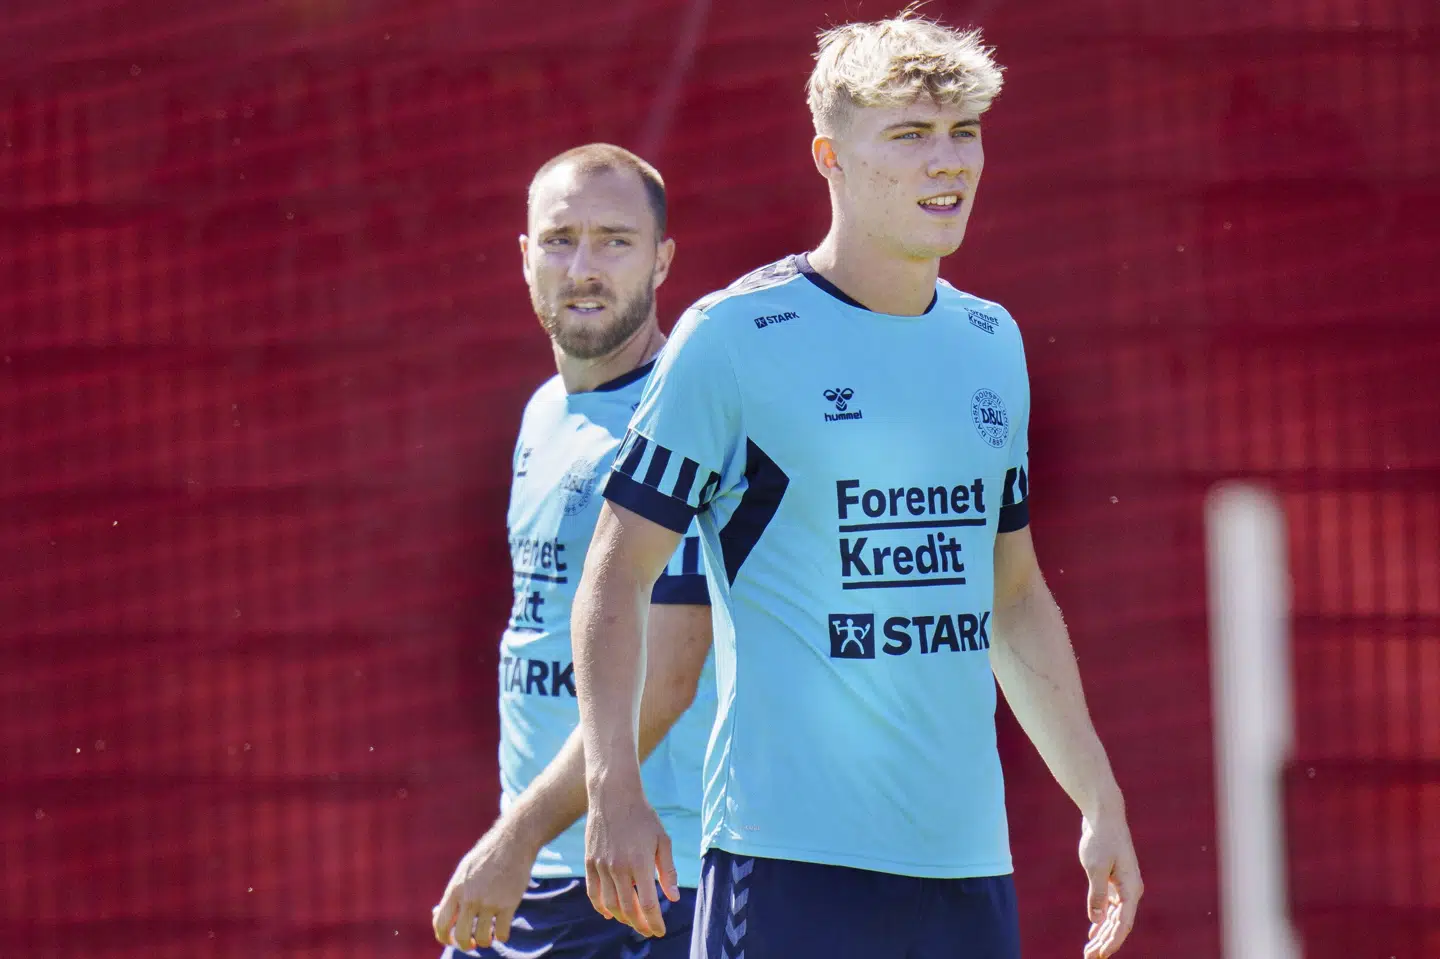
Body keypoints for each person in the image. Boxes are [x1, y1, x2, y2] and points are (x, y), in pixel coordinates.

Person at [570, 9, 1143, 959]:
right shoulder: (734, 340)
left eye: (964, 133)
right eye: (912, 136)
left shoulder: (991, 343)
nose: (948, 162)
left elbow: (1012, 596)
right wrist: (612, 784)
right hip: (790, 865)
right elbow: (616, 574)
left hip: (967, 872)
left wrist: (1098, 797)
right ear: (830, 156)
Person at [431, 143, 716, 959]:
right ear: (524, 259)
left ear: (663, 259)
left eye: (614, 241)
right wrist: (523, 842)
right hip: (544, 872)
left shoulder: (684, 421)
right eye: (560, 240)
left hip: (658, 884)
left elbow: (665, 677)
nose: (583, 266)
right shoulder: (543, 411)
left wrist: (513, 837)